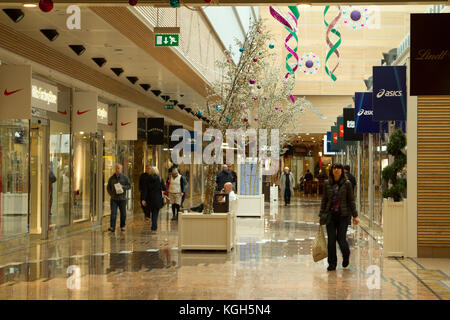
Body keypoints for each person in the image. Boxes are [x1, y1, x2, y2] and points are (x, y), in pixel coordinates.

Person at [319, 163, 359, 271]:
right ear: (332, 171)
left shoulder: (347, 184)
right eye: (334, 168)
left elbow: (351, 200)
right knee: (331, 240)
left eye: (338, 168)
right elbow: (324, 200)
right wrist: (321, 214)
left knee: (341, 239)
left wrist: (355, 216)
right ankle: (332, 263)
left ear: (342, 171)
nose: (336, 170)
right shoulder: (327, 183)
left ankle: (346, 255)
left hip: (343, 216)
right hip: (330, 216)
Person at [141, 167, 167, 233]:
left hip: (149, 199)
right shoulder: (160, 179)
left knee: (150, 212)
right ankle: (153, 228)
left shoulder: (147, 179)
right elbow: (164, 188)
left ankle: (151, 223)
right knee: (155, 214)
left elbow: (145, 190)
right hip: (157, 199)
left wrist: (143, 199)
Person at [107, 164, 131, 232]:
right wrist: (111, 194)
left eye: (118, 168)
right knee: (113, 213)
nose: (117, 169)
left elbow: (129, 186)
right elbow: (108, 187)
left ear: (121, 169)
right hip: (114, 199)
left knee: (123, 213)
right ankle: (112, 226)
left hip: (122, 199)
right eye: (116, 168)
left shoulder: (125, 177)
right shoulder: (111, 178)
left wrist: (123, 187)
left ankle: (122, 226)